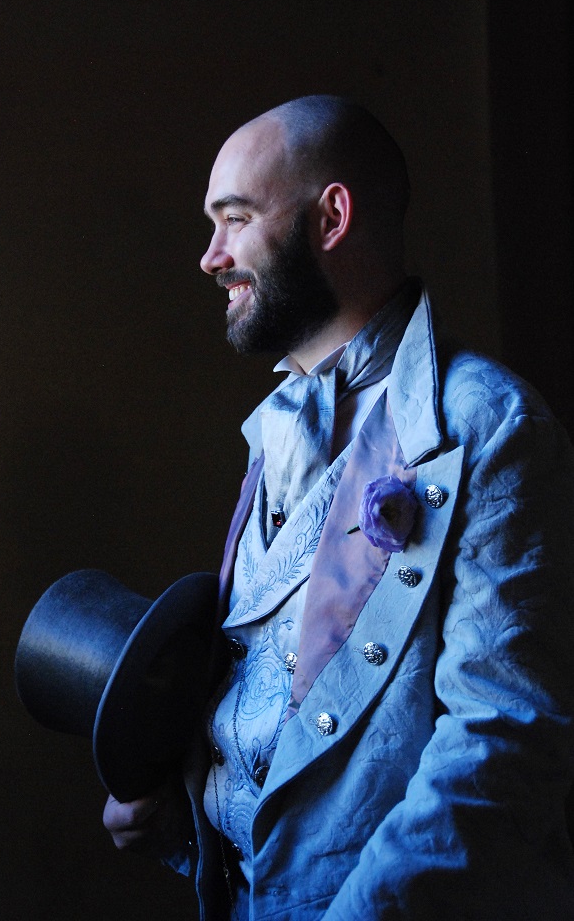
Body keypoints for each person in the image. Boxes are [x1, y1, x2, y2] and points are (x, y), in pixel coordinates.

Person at [103, 95, 574, 919]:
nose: (210, 257)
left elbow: (504, 746)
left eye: (234, 219)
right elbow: (277, 729)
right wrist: (182, 823)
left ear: (330, 218)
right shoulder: (273, 434)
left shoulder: (489, 422)